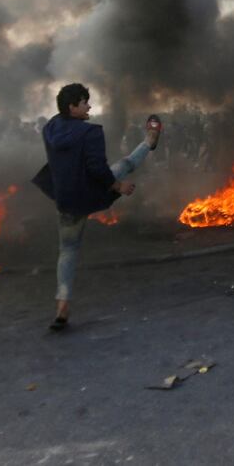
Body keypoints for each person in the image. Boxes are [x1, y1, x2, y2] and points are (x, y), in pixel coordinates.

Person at [32, 83, 162, 331]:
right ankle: (149, 141)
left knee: (68, 250)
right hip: (87, 193)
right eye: (84, 102)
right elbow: (97, 169)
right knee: (124, 165)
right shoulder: (90, 133)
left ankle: (62, 305)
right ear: (73, 107)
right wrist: (118, 187)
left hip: (65, 200)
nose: (89, 106)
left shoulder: (50, 128)